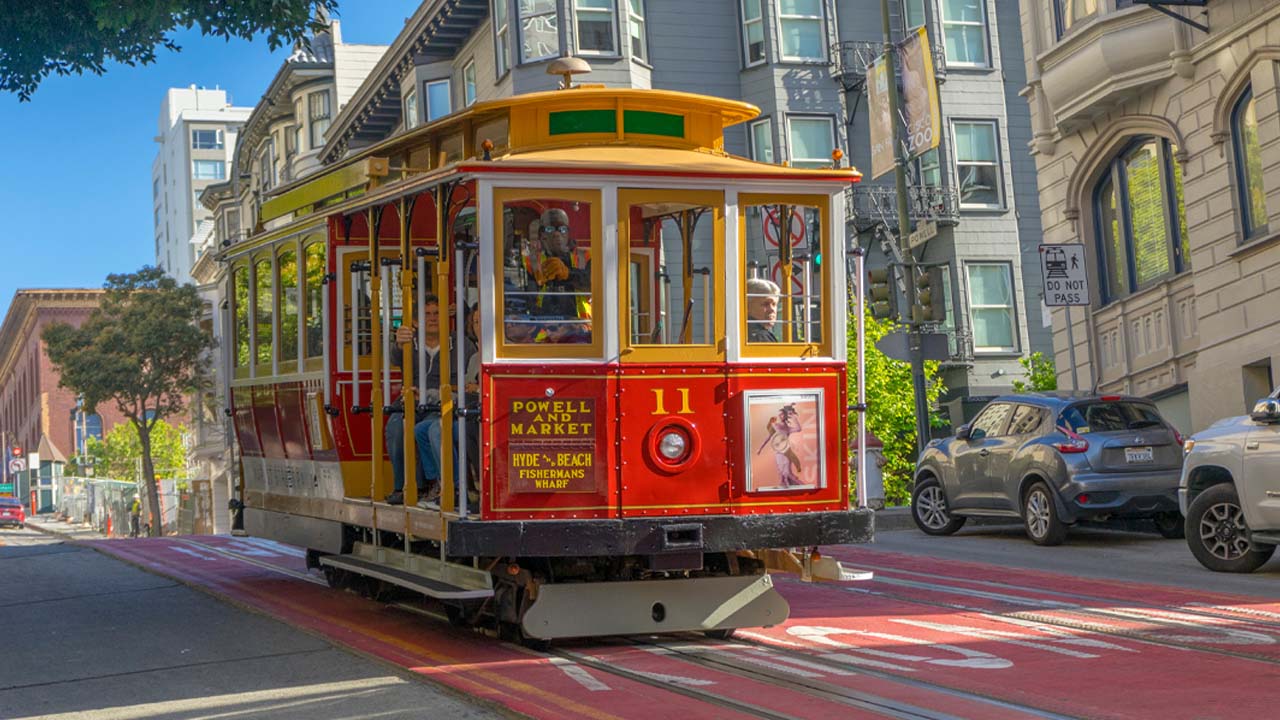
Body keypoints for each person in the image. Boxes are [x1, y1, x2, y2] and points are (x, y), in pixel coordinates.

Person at [384, 296, 442, 506]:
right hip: (411, 403)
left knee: (428, 428)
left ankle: (428, 483)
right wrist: (399, 342)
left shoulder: (459, 344)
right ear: (417, 321)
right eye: (427, 314)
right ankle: (402, 486)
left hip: (441, 405)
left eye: (437, 313)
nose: (433, 318)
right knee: (396, 426)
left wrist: (431, 394)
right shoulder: (410, 344)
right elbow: (395, 357)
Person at [521, 208, 592, 339]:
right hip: (544, 332)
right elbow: (527, 300)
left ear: (568, 234)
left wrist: (568, 274)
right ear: (542, 234)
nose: (556, 234)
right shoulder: (532, 261)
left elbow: (593, 285)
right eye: (550, 229)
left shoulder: (584, 256)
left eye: (562, 230)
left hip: (581, 331)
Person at [757, 404, 803, 487]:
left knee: (788, 473)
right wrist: (760, 448)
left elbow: (799, 429)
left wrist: (793, 417)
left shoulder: (788, 428)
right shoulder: (775, 425)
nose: (779, 415)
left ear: (785, 415)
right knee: (781, 473)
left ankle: (802, 487)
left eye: (782, 414)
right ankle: (785, 487)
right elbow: (768, 437)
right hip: (778, 453)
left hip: (786, 452)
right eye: (779, 414)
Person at [746, 277, 781, 343]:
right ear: (747, 306)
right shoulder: (760, 337)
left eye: (774, 304)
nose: (772, 309)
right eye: (765, 304)